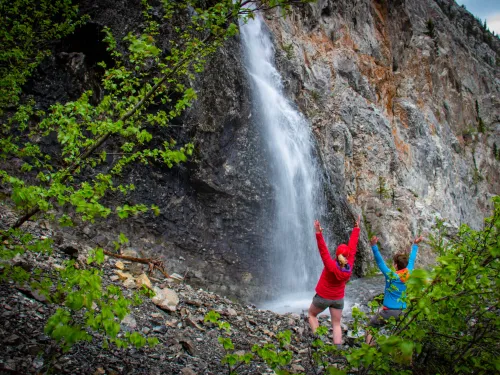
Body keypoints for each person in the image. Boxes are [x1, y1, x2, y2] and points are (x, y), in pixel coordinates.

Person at [308, 215, 360, 347]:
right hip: (338, 299)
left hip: (323, 297)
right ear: (347, 256)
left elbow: (323, 251)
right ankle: (338, 348)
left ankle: (319, 343)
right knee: (336, 324)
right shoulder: (349, 266)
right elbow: (353, 248)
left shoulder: (330, 266)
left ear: (337, 255)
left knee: (312, 314)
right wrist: (356, 229)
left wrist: (318, 233)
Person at [365, 235, 423, 345]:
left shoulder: (391, 275)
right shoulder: (409, 272)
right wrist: (415, 245)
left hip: (388, 311)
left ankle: (369, 349)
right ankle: (405, 358)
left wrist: (374, 246)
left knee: (370, 327)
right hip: (403, 311)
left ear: (396, 266)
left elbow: (380, 262)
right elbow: (412, 259)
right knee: (403, 335)